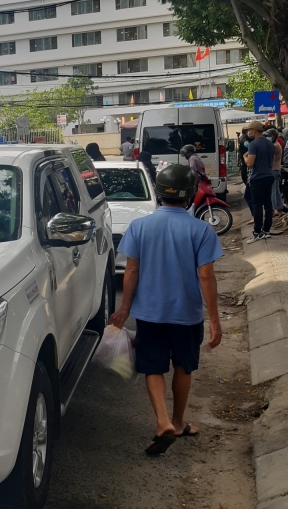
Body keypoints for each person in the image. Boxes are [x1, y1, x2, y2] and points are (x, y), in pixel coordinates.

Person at [110, 164, 223, 457]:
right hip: (186, 314)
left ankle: (162, 421)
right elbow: (206, 276)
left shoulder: (140, 226)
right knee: (184, 366)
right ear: (189, 196)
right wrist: (214, 320)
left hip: (149, 314)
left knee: (153, 366)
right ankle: (178, 421)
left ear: (159, 193)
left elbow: (130, 270)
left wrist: (124, 309)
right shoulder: (201, 229)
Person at [244, 121, 278, 242]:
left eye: (250, 129)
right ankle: (266, 230)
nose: (249, 132)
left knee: (257, 205)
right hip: (269, 175)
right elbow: (272, 160)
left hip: (257, 177)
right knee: (268, 205)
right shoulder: (270, 144)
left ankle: (257, 232)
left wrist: (245, 156)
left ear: (255, 130)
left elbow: (250, 163)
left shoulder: (253, 144)